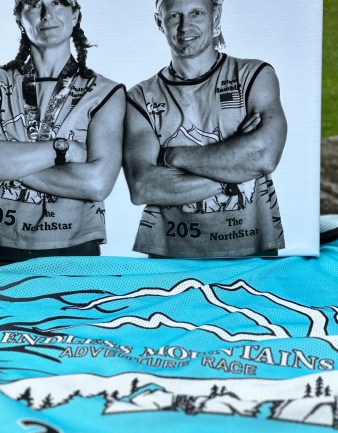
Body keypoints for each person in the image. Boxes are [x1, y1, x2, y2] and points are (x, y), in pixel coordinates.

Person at [123, 0, 287, 258]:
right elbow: (143, 187)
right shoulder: (139, 98)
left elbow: (263, 157)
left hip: (252, 249)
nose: (185, 26)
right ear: (159, 22)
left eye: (196, 13)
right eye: (174, 16)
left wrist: (171, 156)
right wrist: (236, 166)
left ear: (215, 15)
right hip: (169, 255)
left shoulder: (254, 75)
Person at [0, 0, 125, 261]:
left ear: (75, 15)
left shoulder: (106, 92)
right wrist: (65, 150)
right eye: (33, 4)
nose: (47, 14)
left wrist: (7, 161)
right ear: (19, 19)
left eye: (57, 3)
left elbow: (97, 184)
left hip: (74, 244)